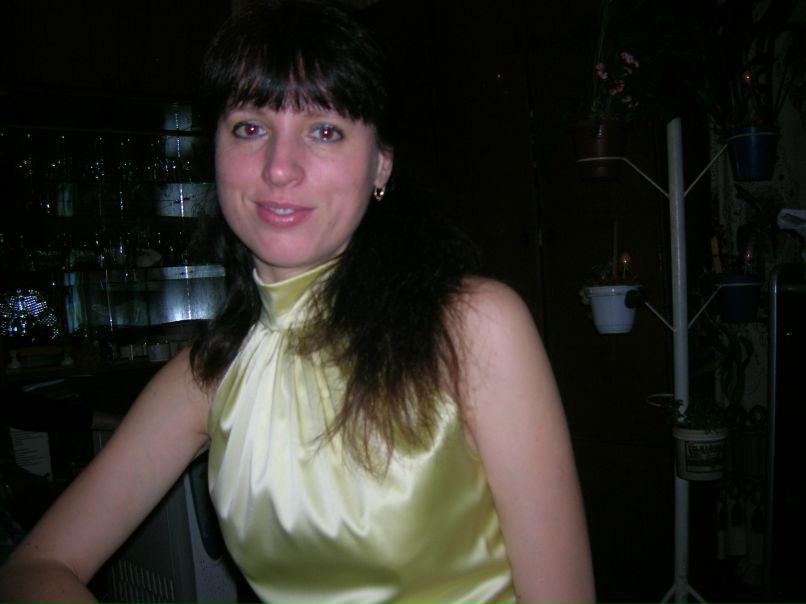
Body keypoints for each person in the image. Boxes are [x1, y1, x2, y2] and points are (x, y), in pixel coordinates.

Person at [0, 1, 595, 602]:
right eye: (250, 128)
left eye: (325, 130)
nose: (279, 168)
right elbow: (34, 568)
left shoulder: (472, 327)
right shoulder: (208, 376)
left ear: (381, 165)